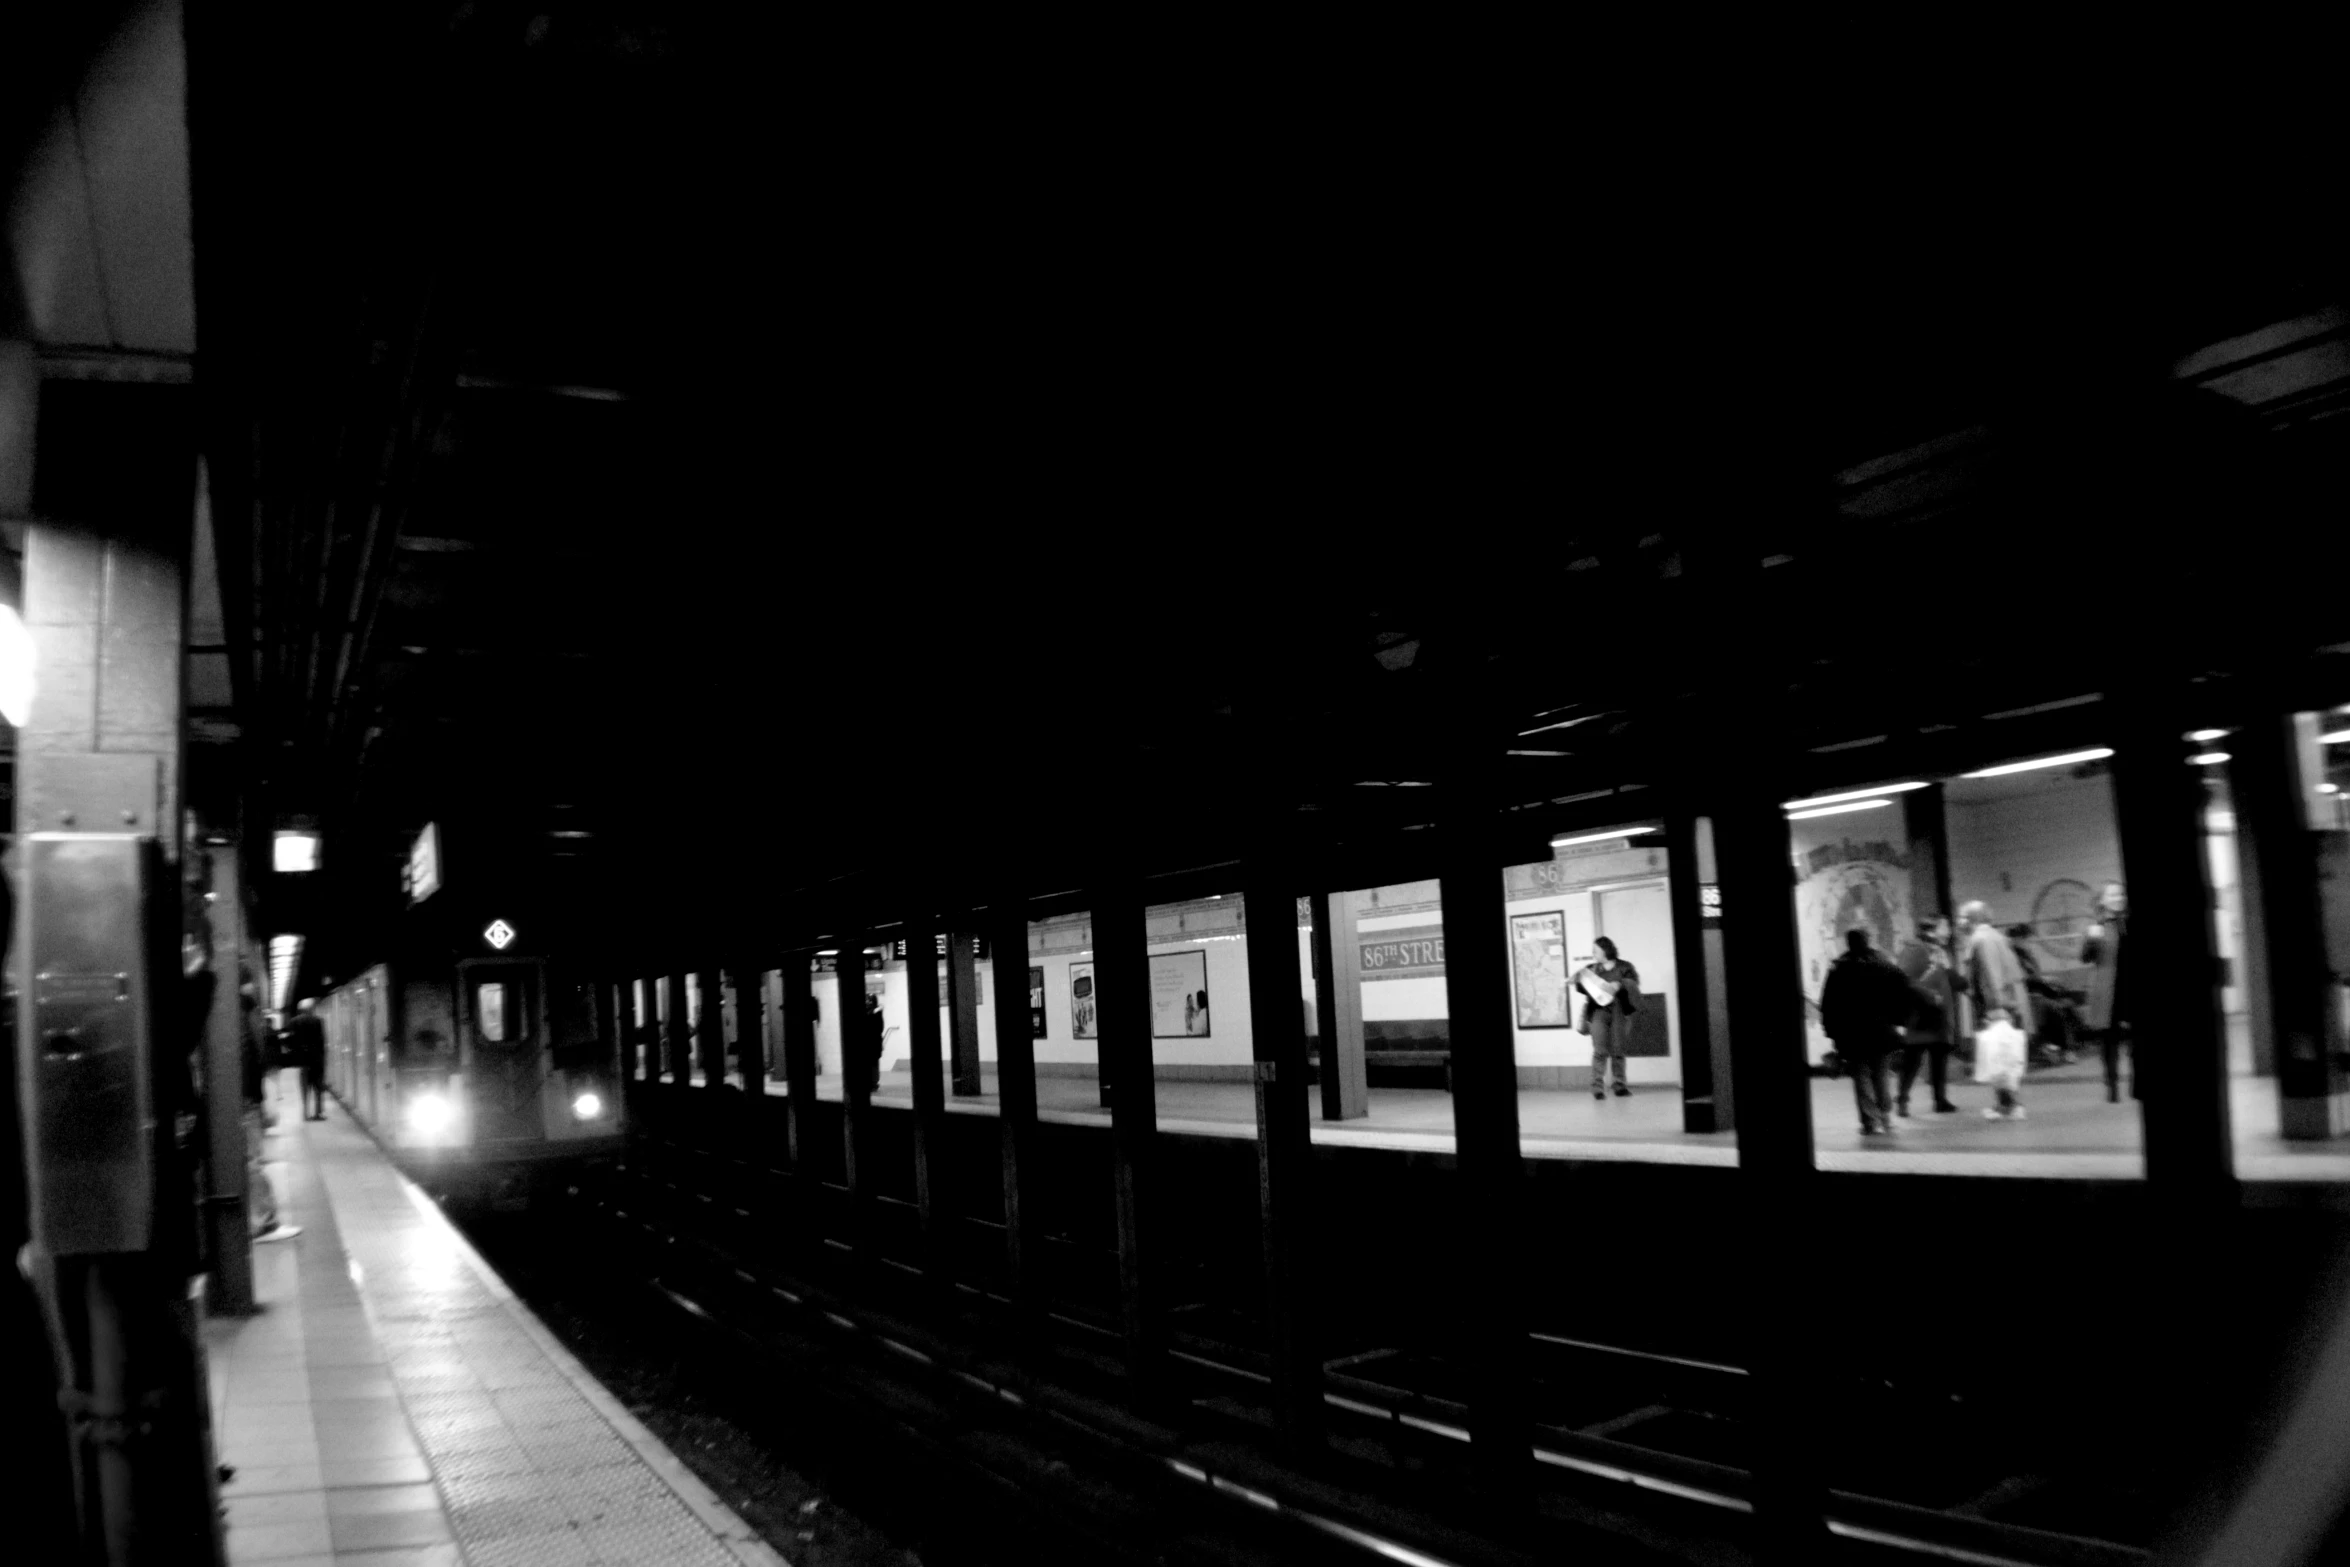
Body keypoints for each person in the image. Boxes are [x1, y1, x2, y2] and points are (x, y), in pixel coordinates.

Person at [1820, 928, 1912, 1135]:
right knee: (1881, 1074)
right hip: (1882, 1031)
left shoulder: (1838, 969)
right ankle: (1885, 1117)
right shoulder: (1885, 965)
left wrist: (1831, 1033)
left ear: (1848, 943)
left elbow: (1829, 1004)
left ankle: (1870, 1122)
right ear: (1868, 941)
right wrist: (1899, 1020)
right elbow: (1904, 989)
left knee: (1860, 1075)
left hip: (1852, 1034)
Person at [1894, 916, 1961, 1115]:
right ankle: (1902, 1099)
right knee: (1912, 1061)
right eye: (1944, 926)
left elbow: (1946, 976)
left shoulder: (1939, 951)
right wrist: (1929, 995)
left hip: (1939, 1015)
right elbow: (1904, 980)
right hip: (1921, 1015)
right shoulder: (1916, 949)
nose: (1948, 930)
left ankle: (1940, 1099)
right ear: (1931, 930)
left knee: (1939, 1058)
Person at [2080, 881, 2132, 1102]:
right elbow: (2085, 958)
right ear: (2103, 900)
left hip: (2131, 989)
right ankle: (2111, 1085)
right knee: (2109, 1040)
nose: (2117, 898)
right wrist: (2092, 939)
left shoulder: (2129, 922)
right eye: (2112, 895)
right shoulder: (2097, 927)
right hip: (2107, 991)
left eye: (2120, 894)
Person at [1958, 901, 2033, 1047]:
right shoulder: (1992, 936)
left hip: (1997, 1004)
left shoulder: (1982, 939)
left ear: (1973, 918)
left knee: (1998, 1052)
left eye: (1962, 917)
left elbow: (1992, 974)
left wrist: (1998, 1005)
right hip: (2003, 1000)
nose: (1958, 922)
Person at [1576, 936, 1642, 1099]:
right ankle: (1597, 1088)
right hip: (1598, 1011)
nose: (1593, 954)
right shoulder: (1591, 968)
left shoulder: (1625, 966)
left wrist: (1619, 984)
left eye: (1595, 951)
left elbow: (1634, 982)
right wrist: (1579, 980)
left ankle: (1619, 1085)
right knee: (1599, 1050)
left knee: (1618, 1049)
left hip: (1619, 1009)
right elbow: (1580, 987)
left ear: (1605, 950)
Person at [1973, 1005, 2030, 1119]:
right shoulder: (2007, 1030)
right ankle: (2005, 1107)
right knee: (2004, 1084)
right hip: (2007, 1061)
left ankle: (2012, 1108)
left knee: (2002, 1084)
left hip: (2001, 1061)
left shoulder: (1997, 1032)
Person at [289, 998, 328, 1120]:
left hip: (302, 1060)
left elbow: (291, 1041)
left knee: (304, 1086)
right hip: (316, 1058)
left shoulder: (293, 1022)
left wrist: (296, 1054)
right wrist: (323, 1057)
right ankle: (317, 1113)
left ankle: (305, 1113)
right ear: (310, 1009)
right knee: (317, 1086)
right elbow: (322, 1041)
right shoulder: (317, 1021)